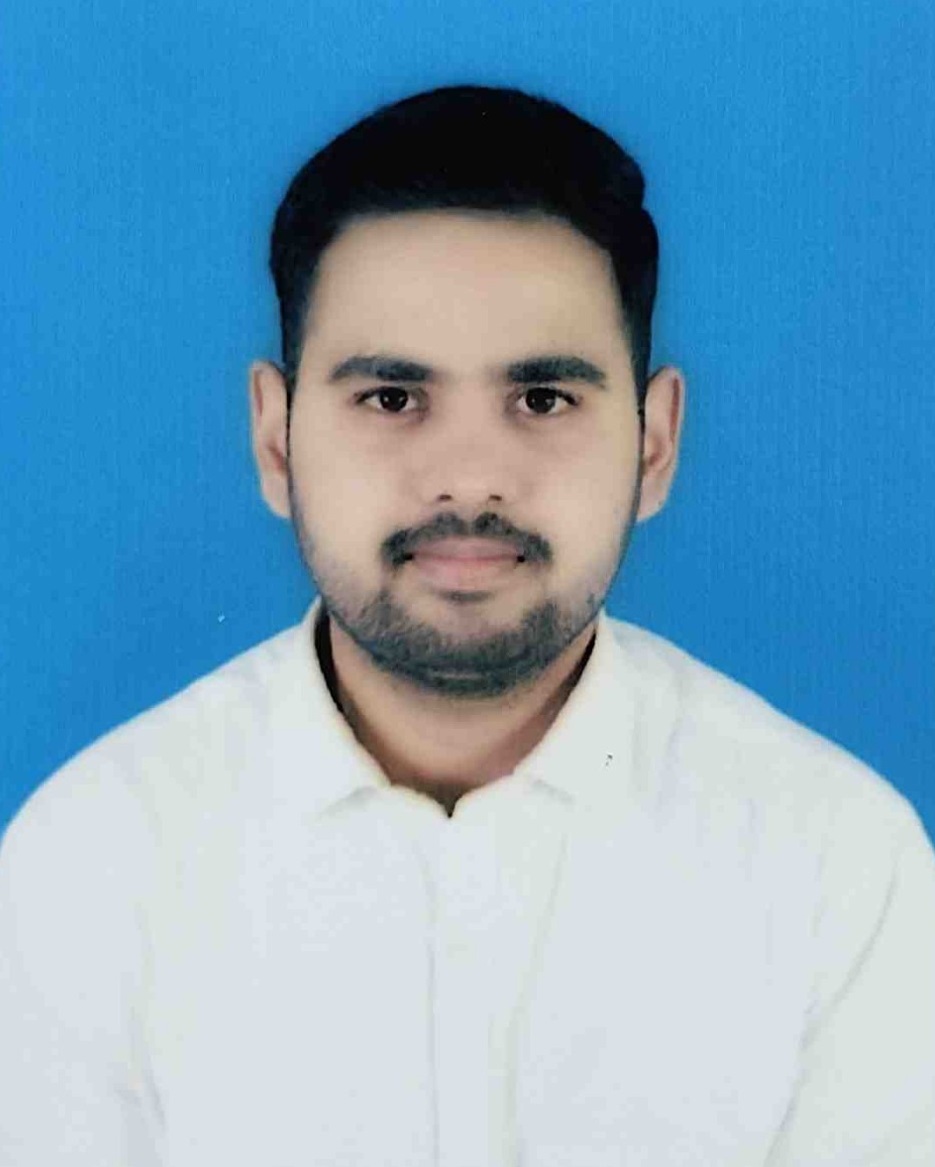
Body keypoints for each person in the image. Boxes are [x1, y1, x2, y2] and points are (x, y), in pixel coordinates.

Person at [1, 83, 933, 1167]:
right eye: (391, 398)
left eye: (542, 399)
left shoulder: (839, 866)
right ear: (275, 438)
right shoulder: (88, 866)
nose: (469, 475)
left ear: (653, 443)